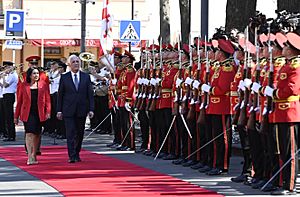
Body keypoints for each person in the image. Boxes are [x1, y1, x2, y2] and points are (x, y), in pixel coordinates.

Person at [56, 54, 94, 163]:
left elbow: (90, 94)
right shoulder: (64, 77)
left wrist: (91, 109)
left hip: (82, 109)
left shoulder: (86, 77)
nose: (76, 64)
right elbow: (60, 95)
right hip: (68, 109)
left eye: (78, 62)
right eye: (74, 62)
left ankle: (77, 152)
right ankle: (71, 155)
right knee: (70, 133)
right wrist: (59, 110)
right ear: (69, 64)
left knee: (80, 133)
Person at [14, 67, 51, 165]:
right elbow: (19, 102)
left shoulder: (43, 85)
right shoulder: (23, 86)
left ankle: (34, 154)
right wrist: (16, 116)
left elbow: (48, 100)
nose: (36, 75)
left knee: (37, 134)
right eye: (34, 73)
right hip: (28, 113)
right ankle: (30, 156)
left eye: (37, 73)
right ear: (30, 75)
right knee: (29, 133)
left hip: (39, 113)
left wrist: (48, 112)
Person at [1, 61, 18, 141]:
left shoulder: (13, 75)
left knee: (9, 116)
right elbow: (3, 86)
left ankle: (11, 135)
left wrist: (3, 77)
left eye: (7, 67)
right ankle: (8, 134)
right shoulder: (9, 75)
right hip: (6, 95)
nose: (6, 69)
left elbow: (5, 85)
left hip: (9, 96)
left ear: (11, 67)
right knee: (6, 116)